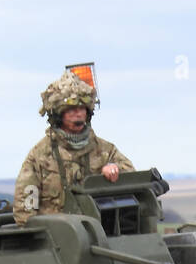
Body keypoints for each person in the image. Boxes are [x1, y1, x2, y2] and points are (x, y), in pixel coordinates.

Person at [13, 70, 134, 224]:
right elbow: (25, 209)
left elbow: (132, 177)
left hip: (100, 232)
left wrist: (114, 168)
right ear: (58, 114)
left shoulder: (104, 150)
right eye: (71, 108)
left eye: (82, 108)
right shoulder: (40, 155)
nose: (78, 113)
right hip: (57, 238)